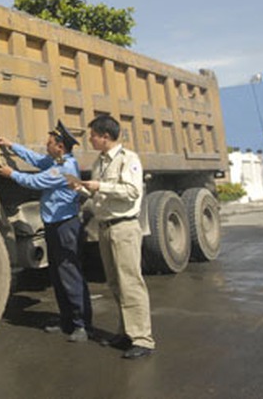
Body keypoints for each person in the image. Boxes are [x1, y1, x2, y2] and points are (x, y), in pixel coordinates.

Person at [0, 120, 92, 342]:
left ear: (59, 146)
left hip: (65, 225)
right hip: (54, 224)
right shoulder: (57, 161)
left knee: (69, 274)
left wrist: (11, 173)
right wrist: (12, 146)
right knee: (58, 274)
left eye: (49, 143)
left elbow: (36, 181)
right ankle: (67, 321)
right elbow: (37, 160)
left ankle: (81, 325)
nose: (45, 145)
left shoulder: (65, 168)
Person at [72, 114, 155, 359]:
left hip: (124, 228)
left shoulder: (128, 159)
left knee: (131, 283)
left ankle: (143, 339)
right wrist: (84, 189)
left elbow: (131, 191)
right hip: (106, 227)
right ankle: (126, 333)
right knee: (116, 283)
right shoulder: (100, 162)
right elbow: (101, 197)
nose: (90, 139)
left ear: (105, 136)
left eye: (93, 135)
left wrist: (101, 186)